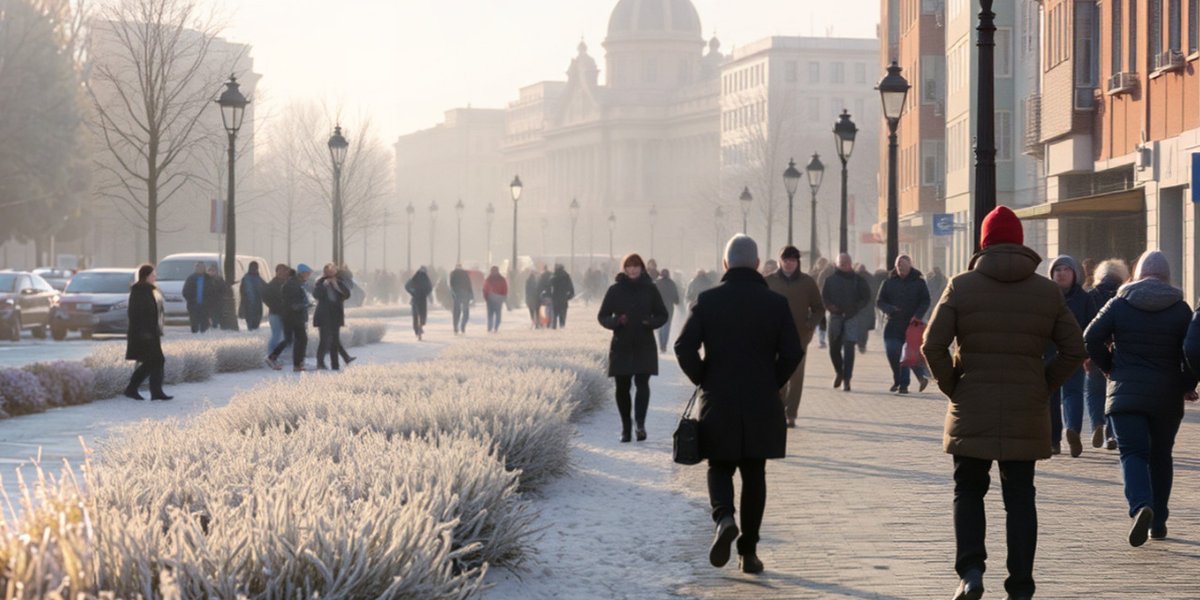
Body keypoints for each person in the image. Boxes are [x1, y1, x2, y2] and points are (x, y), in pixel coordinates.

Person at [922, 206, 1086, 600]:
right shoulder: (1046, 291)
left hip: (971, 404)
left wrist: (953, 386)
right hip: (1025, 407)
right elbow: (1074, 348)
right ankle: (1021, 584)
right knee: (1020, 496)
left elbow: (932, 344)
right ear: (1021, 243)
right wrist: (1043, 385)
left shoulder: (961, 286)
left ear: (984, 243)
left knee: (968, 489)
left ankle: (972, 571)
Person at [675, 234, 803, 576]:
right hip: (761, 401)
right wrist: (771, 381)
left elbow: (683, 347)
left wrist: (704, 377)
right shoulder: (775, 303)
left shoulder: (708, 300)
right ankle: (749, 553)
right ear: (759, 264)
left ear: (725, 264)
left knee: (719, 467)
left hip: (720, 399)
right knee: (754, 474)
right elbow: (792, 351)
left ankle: (724, 518)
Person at [1089, 251, 1196, 547]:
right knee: (1161, 456)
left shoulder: (1118, 304)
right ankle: (1158, 521)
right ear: (1167, 276)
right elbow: (1192, 350)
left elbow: (1090, 336)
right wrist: (1188, 384)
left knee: (1133, 454)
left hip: (1125, 394)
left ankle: (1141, 505)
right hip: (1166, 396)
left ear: (1136, 274)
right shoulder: (1180, 309)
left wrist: (1109, 366)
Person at [597, 253, 669, 443]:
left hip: (644, 343)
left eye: (636, 266)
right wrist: (616, 321)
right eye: (629, 266)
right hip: (622, 343)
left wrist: (650, 322)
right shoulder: (615, 290)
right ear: (624, 268)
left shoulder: (650, 289)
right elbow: (602, 316)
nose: (633, 269)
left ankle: (640, 424)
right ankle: (626, 428)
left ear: (642, 267)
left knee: (642, 384)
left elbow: (663, 314)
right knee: (622, 387)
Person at [765, 246, 823, 427]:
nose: (789, 263)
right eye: (785, 260)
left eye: (792, 260)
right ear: (779, 261)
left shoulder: (807, 282)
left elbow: (819, 308)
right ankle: (777, 409)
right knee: (776, 375)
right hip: (774, 337)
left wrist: (811, 323)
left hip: (799, 336)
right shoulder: (768, 282)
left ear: (798, 262)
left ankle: (791, 413)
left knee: (796, 376)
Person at [1047, 255, 1099, 457]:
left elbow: (1092, 326)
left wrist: (1088, 353)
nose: (1061, 273)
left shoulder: (1085, 299)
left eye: (1066, 269)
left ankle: (1073, 431)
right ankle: (1053, 441)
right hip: (1050, 352)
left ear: (1075, 273)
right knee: (1051, 396)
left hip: (1074, 353)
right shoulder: (1046, 296)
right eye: (1057, 270)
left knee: (1072, 392)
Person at [1086, 259, 1130, 450]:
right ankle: (1111, 434)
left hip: (1094, 350)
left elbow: (1085, 326)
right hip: (1116, 350)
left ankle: (1097, 423)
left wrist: (1085, 353)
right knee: (1114, 393)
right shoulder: (1124, 295)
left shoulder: (1090, 296)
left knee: (1094, 391)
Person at [875, 255, 931, 394]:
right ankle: (904, 378)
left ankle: (903, 384)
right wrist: (889, 309)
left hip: (911, 325)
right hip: (893, 324)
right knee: (892, 352)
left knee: (906, 354)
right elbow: (879, 301)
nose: (901, 268)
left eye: (904, 265)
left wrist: (917, 315)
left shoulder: (918, 282)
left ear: (910, 266)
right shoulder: (888, 282)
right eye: (899, 266)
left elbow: (926, 301)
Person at [822, 253, 871, 392]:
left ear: (851, 263)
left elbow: (866, 297)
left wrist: (856, 308)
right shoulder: (830, 280)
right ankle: (839, 371)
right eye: (841, 263)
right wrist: (831, 307)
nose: (844, 265)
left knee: (849, 349)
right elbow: (824, 297)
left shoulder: (859, 280)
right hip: (835, 317)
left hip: (851, 317)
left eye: (847, 262)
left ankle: (847, 379)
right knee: (834, 348)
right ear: (836, 264)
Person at [124, 264, 171, 401]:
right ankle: (137, 389)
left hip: (150, 333)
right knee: (155, 361)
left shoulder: (148, 290)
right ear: (146, 276)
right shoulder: (139, 291)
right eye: (153, 275)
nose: (155, 277)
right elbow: (136, 314)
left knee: (154, 361)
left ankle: (150, 391)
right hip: (143, 334)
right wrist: (145, 332)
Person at [267, 264, 313, 372]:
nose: (308, 276)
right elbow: (290, 302)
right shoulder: (292, 284)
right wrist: (303, 305)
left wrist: (306, 303)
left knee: (291, 339)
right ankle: (297, 364)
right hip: (292, 316)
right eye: (307, 274)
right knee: (300, 339)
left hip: (294, 315)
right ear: (302, 273)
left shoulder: (297, 283)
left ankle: (276, 358)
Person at [314, 263, 351, 370]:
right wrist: (324, 285)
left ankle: (335, 365)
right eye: (327, 271)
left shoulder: (339, 282)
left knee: (335, 341)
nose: (330, 274)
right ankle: (320, 363)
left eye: (332, 271)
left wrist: (336, 286)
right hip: (324, 316)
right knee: (324, 341)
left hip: (336, 316)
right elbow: (316, 295)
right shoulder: (320, 282)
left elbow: (347, 294)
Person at [263, 264, 289, 354]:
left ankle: (281, 355)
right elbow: (265, 298)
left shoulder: (287, 283)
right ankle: (270, 354)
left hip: (286, 314)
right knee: (276, 335)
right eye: (280, 271)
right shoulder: (272, 284)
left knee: (286, 336)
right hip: (275, 314)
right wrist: (276, 306)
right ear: (276, 272)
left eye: (284, 271)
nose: (282, 273)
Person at [655, 268, 681, 352]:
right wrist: (676, 301)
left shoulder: (657, 283)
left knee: (660, 327)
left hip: (658, 308)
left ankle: (661, 344)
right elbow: (676, 298)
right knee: (667, 327)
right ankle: (664, 345)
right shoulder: (672, 284)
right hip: (669, 308)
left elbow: (653, 296)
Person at [181, 262, 211, 333]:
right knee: (194, 323)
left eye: (202, 267)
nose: (201, 269)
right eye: (199, 267)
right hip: (193, 305)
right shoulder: (190, 278)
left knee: (205, 325)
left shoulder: (208, 279)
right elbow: (185, 291)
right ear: (196, 268)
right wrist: (191, 300)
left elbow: (213, 291)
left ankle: (204, 336)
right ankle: (194, 334)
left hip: (205, 306)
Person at [405, 267, 433, 341]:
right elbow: (430, 287)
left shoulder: (414, 277)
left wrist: (412, 292)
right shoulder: (426, 278)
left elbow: (407, 286)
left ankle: (416, 330)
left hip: (415, 299)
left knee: (415, 316)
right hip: (422, 299)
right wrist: (425, 294)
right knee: (422, 314)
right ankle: (420, 326)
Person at [238, 261, 267, 331]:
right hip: (251, 304)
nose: (254, 269)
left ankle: (252, 329)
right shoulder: (252, 278)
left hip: (254, 303)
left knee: (255, 320)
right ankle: (252, 329)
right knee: (252, 321)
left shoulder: (251, 278)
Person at [449, 264, 473, 335]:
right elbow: (469, 284)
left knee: (456, 312)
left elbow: (451, 284)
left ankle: (456, 326)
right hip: (465, 293)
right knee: (465, 311)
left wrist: (453, 293)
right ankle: (462, 325)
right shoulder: (465, 273)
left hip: (457, 294)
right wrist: (471, 294)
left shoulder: (453, 273)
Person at [483, 266, 508, 333]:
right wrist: (503, 296)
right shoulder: (501, 279)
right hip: (498, 298)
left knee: (490, 314)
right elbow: (505, 288)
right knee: (498, 314)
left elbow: (485, 289)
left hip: (491, 298)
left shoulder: (488, 279)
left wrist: (486, 297)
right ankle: (495, 327)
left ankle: (490, 327)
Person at [549, 264, 575, 329]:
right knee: (562, 317)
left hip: (555, 299)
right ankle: (562, 328)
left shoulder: (553, 276)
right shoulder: (566, 276)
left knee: (554, 316)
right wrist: (568, 297)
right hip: (563, 299)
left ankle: (554, 328)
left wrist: (550, 296)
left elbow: (549, 288)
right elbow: (571, 288)